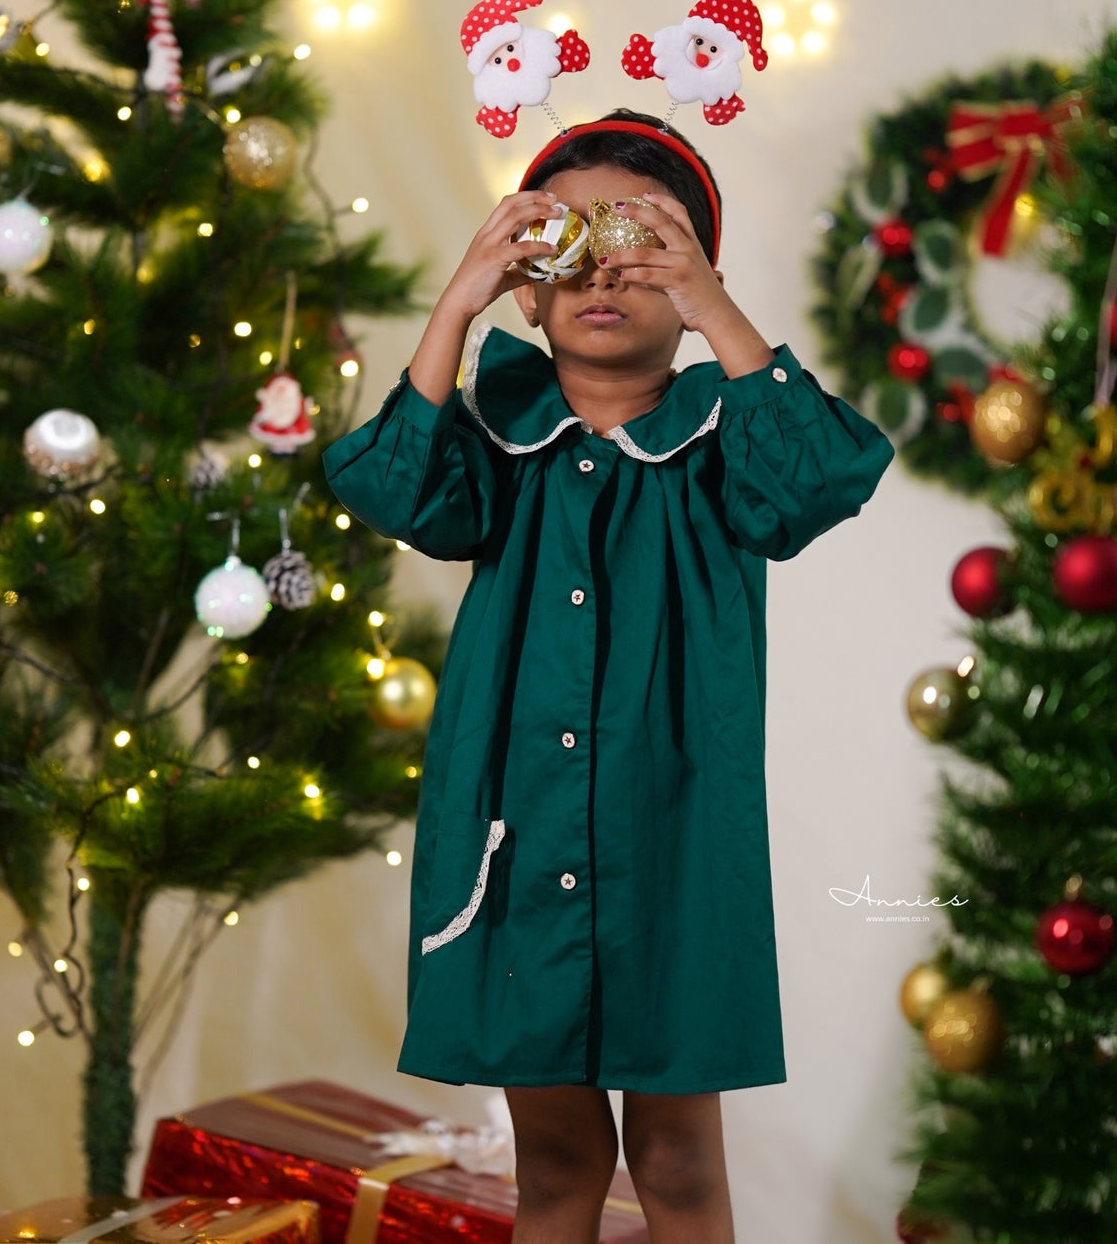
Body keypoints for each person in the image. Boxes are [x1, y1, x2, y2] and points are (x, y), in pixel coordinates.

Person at [323, 110, 894, 1243]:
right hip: (515, 833)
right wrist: (456, 297)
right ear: (527, 295)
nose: (603, 274)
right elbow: (390, 484)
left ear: (687, 285)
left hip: (672, 840)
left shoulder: (729, 443)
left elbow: (823, 475)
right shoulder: (497, 447)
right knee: (557, 1159)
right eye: (566, 250)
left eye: (641, 247)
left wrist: (713, 303)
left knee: (678, 1160)